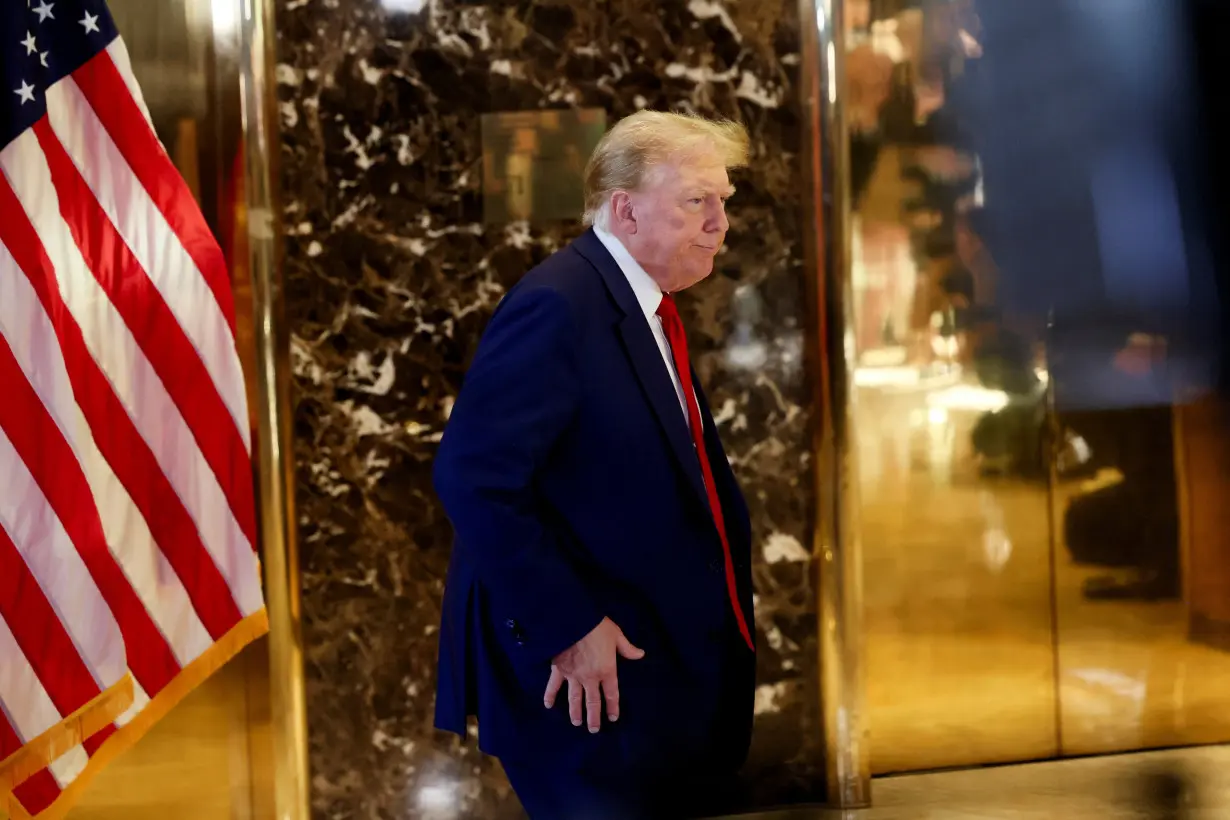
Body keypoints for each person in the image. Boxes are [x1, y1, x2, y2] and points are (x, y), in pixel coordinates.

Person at [432, 110, 757, 819]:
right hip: (579, 689)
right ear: (625, 209)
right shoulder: (558, 305)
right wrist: (567, 626)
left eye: (723, 201)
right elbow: (473, 477)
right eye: (697, 200)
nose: (719, 223)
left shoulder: (640, 306)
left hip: (648, 685)